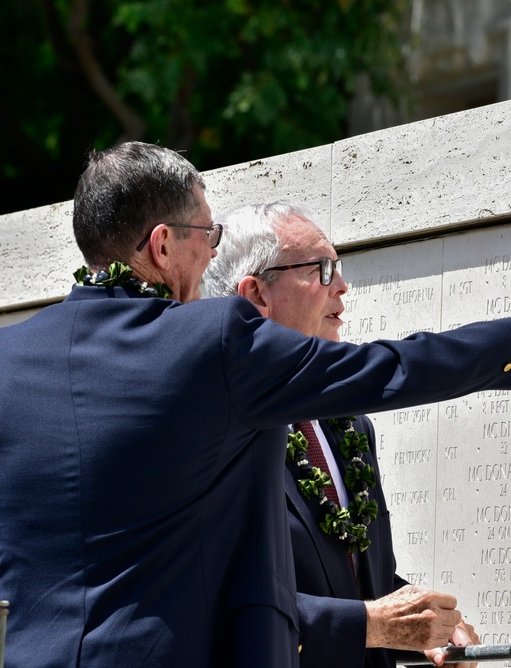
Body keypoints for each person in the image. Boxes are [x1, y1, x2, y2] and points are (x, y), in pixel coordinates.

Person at [0, 141, 511, 668]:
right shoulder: (211, 341)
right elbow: (394, 368)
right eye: (206, 231)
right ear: (162, 245)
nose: (209, 251)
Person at [205, 201, 479, 668]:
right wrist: (372, 623)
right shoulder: (212, 430)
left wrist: (426, 624)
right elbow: (216, 602)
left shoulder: (348, 423)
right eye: (322, 269)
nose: (343, 286)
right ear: (256, 294)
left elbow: (358, 583)